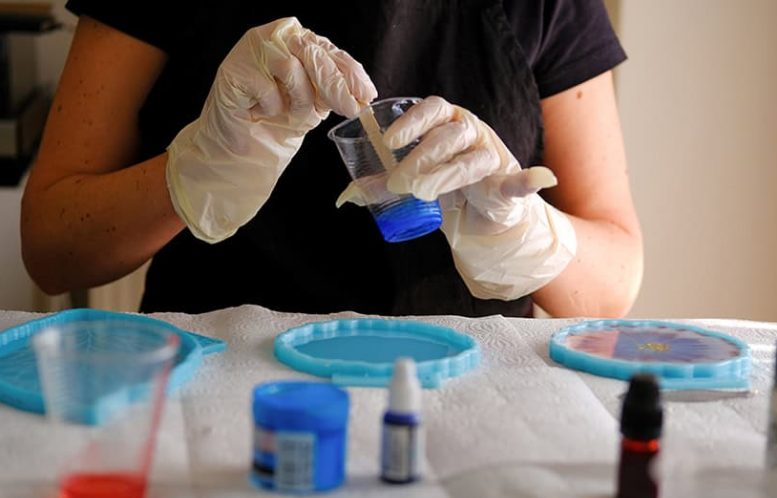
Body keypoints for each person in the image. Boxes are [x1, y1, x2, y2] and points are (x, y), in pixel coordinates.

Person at [20, 0, 643, 318]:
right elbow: (49, 247)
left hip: (467, 393)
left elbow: (614, 279)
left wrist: (531, 235)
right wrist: (196, 171)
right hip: (221, 394)